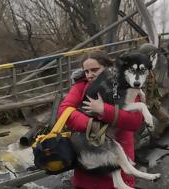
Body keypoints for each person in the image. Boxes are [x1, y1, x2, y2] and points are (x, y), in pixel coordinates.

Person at [57, 50, 144, 189]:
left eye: (95, 70)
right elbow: (64, 110)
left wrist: (104, 110)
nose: (90, 75)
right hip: (87, 158)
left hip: (116, 153)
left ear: (108, 68)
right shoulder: (80, 86)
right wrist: (91, 125)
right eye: (86, 71)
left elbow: (134, 121)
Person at [138, 43, 169, 148]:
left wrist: (155, 98)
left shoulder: (149, 66)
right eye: (153, 54)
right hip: (143, 104)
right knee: (139, 128)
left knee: (164, 118)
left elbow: (152, 85)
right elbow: (139, 89)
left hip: (152, 101)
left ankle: (154, 139)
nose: (155, 56)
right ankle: (133, 151)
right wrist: (144, 105)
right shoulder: (139, 69)